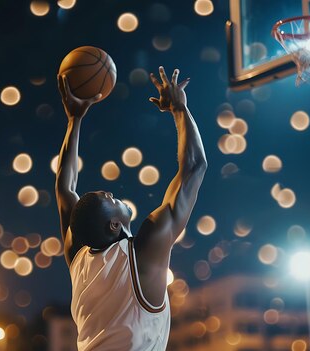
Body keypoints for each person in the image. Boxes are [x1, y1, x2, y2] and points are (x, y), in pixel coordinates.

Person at [55, 66, 207, 350]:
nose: (114, 193)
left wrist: (74, 120)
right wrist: (179, 109)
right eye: (110, 198)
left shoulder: (79, 257)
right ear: (114, 225)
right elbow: (195, 166)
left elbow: (65, 190)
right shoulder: (142, 253)